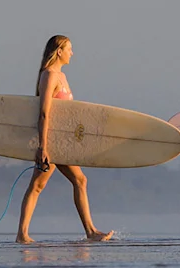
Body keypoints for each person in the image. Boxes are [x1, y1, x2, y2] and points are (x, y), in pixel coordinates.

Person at [15, 35, 114, 244]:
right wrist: (43, 147)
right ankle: (22, 235)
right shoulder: (49, 76)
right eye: (69, 49)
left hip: (63, 141)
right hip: (52, 141)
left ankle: (90, 231)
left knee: (75, 181)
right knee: (40, 186)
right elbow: (44, 114)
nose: (72, 53)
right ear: (59, 51)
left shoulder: (62, 76)